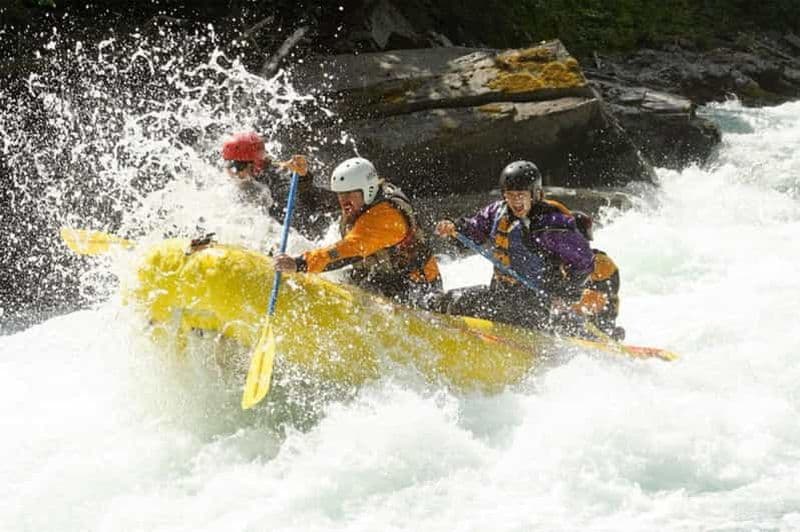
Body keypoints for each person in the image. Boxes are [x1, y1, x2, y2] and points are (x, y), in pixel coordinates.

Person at [434, 160, 594, 333]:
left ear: (534, 194)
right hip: (500, 293)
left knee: (461, 303)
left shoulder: (551, 224)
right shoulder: (497, 212)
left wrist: (566, 291)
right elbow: (474, 230)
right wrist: (454, 227)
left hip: (534, 303)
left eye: (521, 195)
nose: (516, 201)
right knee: (447, 300)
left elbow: (584, 261)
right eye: (510, 195)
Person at [273, 157, 442, 306]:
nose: (343, 201)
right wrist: (304, 178)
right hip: (382, 278)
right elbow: (316, 202)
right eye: (340, 194)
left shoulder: (386, 217)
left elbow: (349, 250)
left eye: (347, 194)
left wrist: (300, 263)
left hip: (417, 291)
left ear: (367, 189)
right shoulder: (359, 198)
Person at [221, 131, 336, 240]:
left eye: (237, 166)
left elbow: (302, 195)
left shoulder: (276, 182)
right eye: (228, 164)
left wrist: (303, 177)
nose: (232, 171)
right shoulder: (244, 180)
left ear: (255, 166)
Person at [571, 211, 625, 340]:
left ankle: (608, 334)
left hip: (597, 322)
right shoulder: (557, 261)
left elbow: (599, 299)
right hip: (575, 318)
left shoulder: (602, 262)